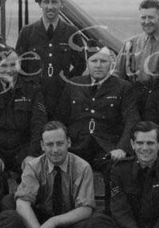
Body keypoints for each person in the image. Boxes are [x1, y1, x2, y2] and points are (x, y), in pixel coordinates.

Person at [57, 42, 139, 209]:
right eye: (94, 61)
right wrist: (62, 143)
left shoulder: (123, 87)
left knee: (117, 170)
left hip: (107, 148)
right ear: (88, 63)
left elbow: (132, 120)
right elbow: (60, 118)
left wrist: (122, 148)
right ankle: (64, 215)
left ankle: (111, 217)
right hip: (77, 145)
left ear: (112, 63)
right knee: (60, 167)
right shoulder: (74, 84)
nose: (99, 65)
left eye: (104, 61)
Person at [8, 121, 95, 228]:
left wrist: (53, 222)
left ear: (69, 142)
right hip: (39, 222)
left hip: (67, 223)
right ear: (42, 146)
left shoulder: (83, 167)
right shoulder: (33, 166)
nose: (55, 150)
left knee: (95, 222)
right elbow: (23, 203)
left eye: (60, 143)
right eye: (49, 144)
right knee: (9, 202)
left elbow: (86, 209)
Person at [0, 46, 47, 184]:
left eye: (13, 64)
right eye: (3, 65)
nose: (9, 70)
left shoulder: (32, 89)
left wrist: (32, 154)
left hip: (23, 149)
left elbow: (39, 124)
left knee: (34, 176)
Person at [15, 0, 86, 119]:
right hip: (33, 96)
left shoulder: (72, 32)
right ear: (40, 4)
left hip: (61, 97)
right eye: (46, 2)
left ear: (61, 4)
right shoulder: (27, 32)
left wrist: (66, 83)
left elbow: (80, 64)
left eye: (54, 2)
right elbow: (20, 63)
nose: (50, 6)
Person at [114, 0, 159, 116]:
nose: (146, 21)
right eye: (143, 17)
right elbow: (118, 74)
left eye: (151, 17)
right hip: (132, 101)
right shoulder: (130, 44)